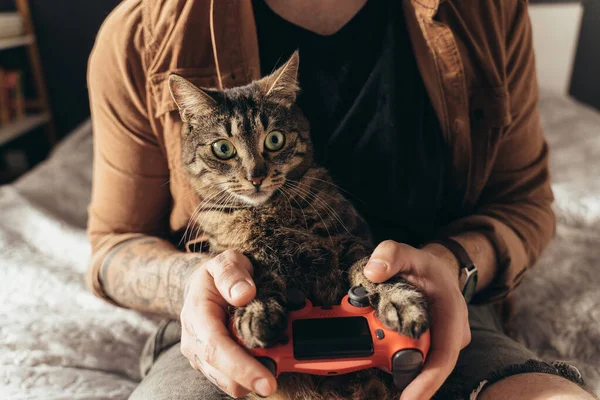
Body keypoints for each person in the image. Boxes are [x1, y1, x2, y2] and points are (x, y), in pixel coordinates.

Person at [86, 0, 594, 399]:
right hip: (227, 325)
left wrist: (452, 265)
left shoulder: (488, 10)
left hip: (428, 308)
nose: (255, 172)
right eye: (226, 152)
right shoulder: (140, 33)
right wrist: (194, 283)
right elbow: (112, 246)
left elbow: (524, 202)